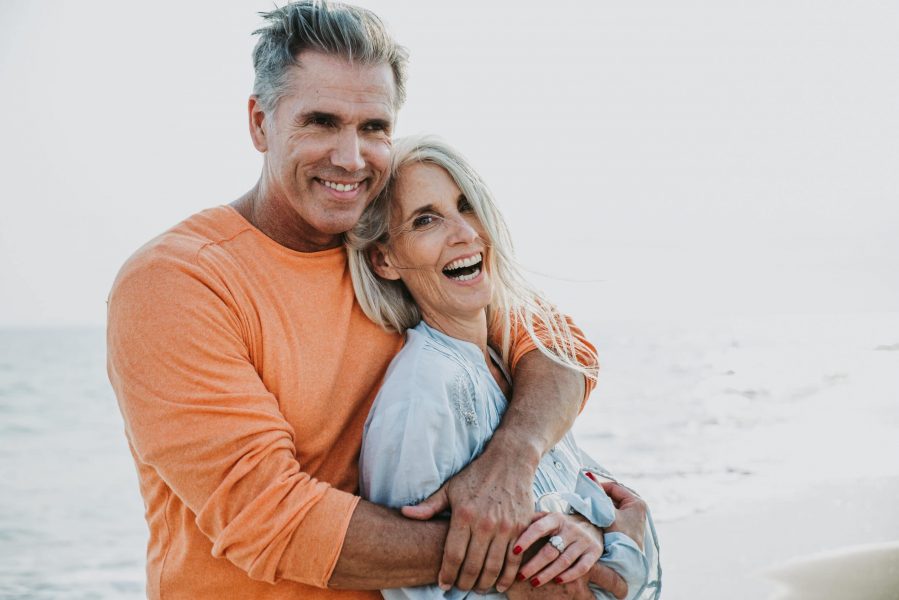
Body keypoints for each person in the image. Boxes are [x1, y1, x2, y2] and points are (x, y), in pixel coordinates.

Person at [106, 2, 622, 599]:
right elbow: (272, 519)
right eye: (321, 122)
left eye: (373, 127)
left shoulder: (394, 250)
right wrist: (531, 557)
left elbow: (562, 350)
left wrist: (511, 464)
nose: (350, 158)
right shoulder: (178, 281)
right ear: (259, 122)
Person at [348, 135, 661, 600]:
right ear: (385, 258)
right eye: (426, 220)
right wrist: (617, 550)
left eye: (466, 206)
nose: (466, 234)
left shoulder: (507, 363)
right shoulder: (424, 391)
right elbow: (422, 591)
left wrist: (591, 534)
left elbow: (614, 514)